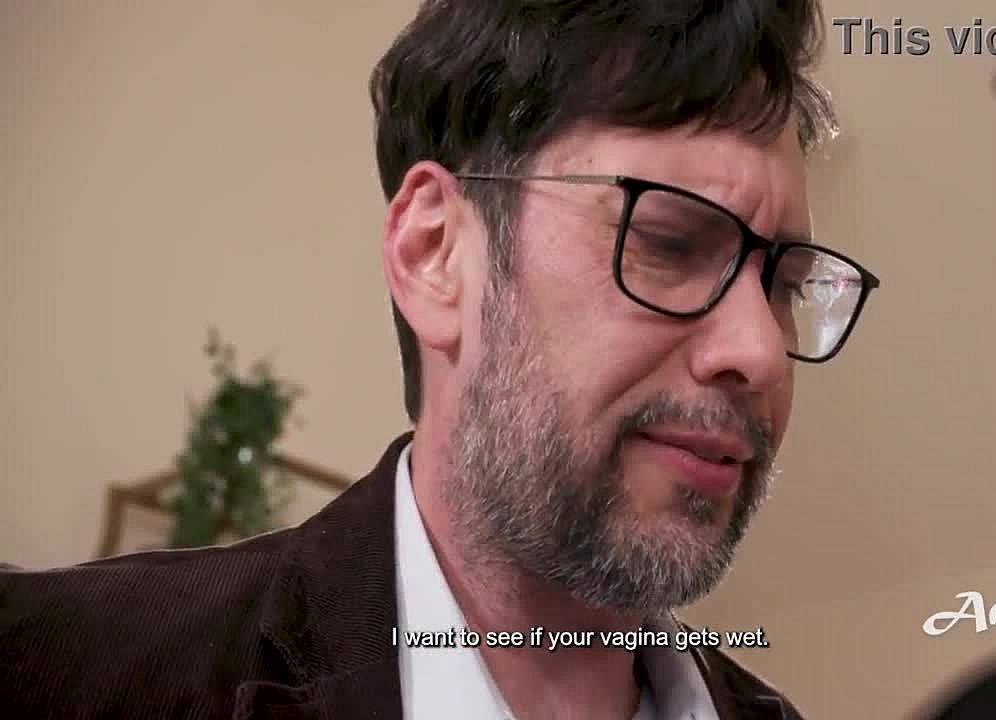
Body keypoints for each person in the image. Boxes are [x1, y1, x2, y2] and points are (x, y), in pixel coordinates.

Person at [1, 1, 879, 718]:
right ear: (435, 253)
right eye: (669, 243)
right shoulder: (55, 675)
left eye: (785, 286)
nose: (760, 352)